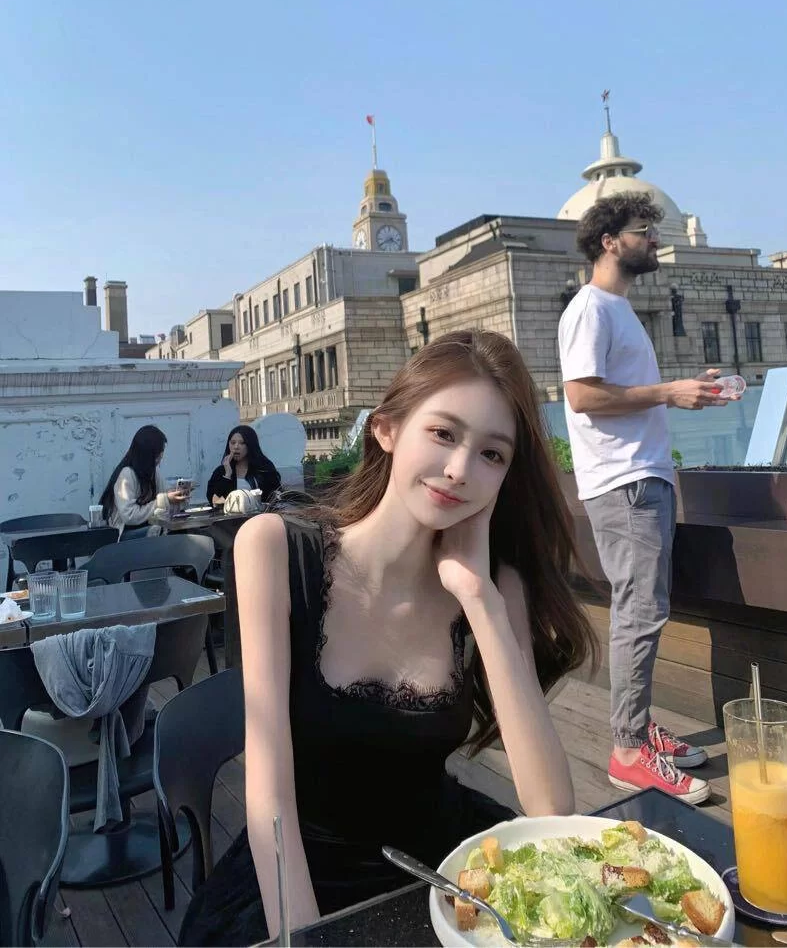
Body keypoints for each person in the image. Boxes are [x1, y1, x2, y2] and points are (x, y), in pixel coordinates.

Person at [180, 330, 597, 946]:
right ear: (387, 429)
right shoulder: (275, 550)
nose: (459, 470)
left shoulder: (492, 585)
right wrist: (310, 942)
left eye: (491, 454)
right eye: (444, 433)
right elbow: (269, 797)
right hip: (301, 873)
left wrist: (477, 595)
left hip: (444, 872)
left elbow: (551, 808)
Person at [558, 191, 734, 805]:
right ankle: (629, 751)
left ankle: (636, 729)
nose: (654, 240)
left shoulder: (617, 309)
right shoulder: (591, 309)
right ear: (610, 241)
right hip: (625, 482)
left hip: (638, 478)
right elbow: (581, 396)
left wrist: (682, 392)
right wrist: (667, 392)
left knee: (644, 610)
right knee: (640, 613)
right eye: (643, 230)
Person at [99, 425, 188, 540]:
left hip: (147, 526)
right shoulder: (127, 475)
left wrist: (179, 498)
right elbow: (129, 516)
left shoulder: (153, 472)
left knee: (180, 530)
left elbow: (165, 502)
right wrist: (164, 500)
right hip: (124, 533)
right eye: (158, 453)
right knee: (158, 531)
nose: (161, 456)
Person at [206, 425, 281, 506]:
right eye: (233, 443)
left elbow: (276, 495)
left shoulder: (264, 467)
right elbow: (214, 501)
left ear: (250, 445)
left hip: (261, 513)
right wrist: (227, 475)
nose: (236, 447)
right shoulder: (221, 471)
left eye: (242, 443)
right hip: (231, 514)